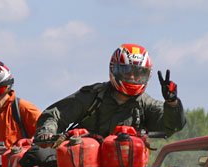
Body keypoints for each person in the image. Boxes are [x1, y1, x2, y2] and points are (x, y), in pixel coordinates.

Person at [35, 43, 187, 140]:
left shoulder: (146, 103)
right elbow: (55, 115)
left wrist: (172, 103)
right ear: (114, 69)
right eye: (127, 72)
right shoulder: (92, 96)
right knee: (43, 165)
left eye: (138, 73)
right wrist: (47, 133)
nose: (133, 77)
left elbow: (171, 126)